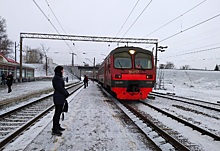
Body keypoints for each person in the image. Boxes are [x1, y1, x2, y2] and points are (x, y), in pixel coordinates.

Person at [52, 66, 69, 136]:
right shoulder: (57, 78)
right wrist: (66, 93)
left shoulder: (58, 77)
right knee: (57, 113)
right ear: (59, 71)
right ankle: (55, 129)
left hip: (60, 97)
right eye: (62, 70)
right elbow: (60, 88)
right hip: (58, 97)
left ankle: (57, 126)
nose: (63, 71)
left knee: (58, 113)